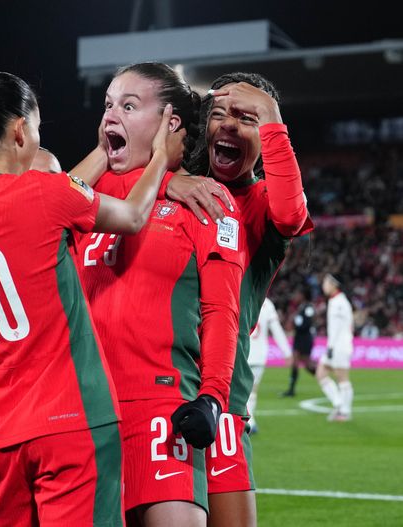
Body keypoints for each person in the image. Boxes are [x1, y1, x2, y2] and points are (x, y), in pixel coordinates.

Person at [0, 64, 183, 526]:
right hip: (72, 420)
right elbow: (133, 216)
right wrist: (161, 158)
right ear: (20, 131)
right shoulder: (42, 193)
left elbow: (52, 199)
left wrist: (102, 152)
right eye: (37, 128)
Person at [74, 62, 245, 527]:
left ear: (171, 124)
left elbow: (221, 311)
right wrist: (161, 174)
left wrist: (211, 397)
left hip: (163, 411)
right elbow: (46, 200)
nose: (112, 115)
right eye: (108, 105)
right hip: (81, 418)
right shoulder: (87, 198)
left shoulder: (208, 203)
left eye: (129, 106)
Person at [186, 72, 313, 527]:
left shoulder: (261, 203)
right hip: (149, 392)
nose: (228, 125)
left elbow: (291, 213)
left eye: (247, 118)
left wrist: (273, 117)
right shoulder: (171, 189)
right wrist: (170, 183)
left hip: (221, 401)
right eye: (217, 114)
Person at [246, 297, 292, 434]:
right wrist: (286, 351)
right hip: (259, 355)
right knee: (252, 391)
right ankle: (250, 421)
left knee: (241, 391)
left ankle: (249, 422)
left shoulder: (241, 296)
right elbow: (276, 329)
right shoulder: (267, 304)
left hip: (243, 352)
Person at [317, 273, 354, 421]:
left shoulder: (339, 302)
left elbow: (338, 328)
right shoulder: (336, 301)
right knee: (321, 373)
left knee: (342, 378)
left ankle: (344, 411)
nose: (323, 285)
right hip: (335, 345)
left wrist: (331, 347)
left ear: (334, 284)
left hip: (340, 346)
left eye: (326, 282)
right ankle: (339, 403)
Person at [281, 287, 317, 397]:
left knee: (306, 364)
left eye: (298, 294)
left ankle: (322, 376)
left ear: (303, 295)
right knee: (297, 362)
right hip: (299, 338)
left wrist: (295, 324)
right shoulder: (301, 307)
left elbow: (307, 323)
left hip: (305, 338)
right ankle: (291, 390)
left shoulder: (309, 307)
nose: (296, 297)